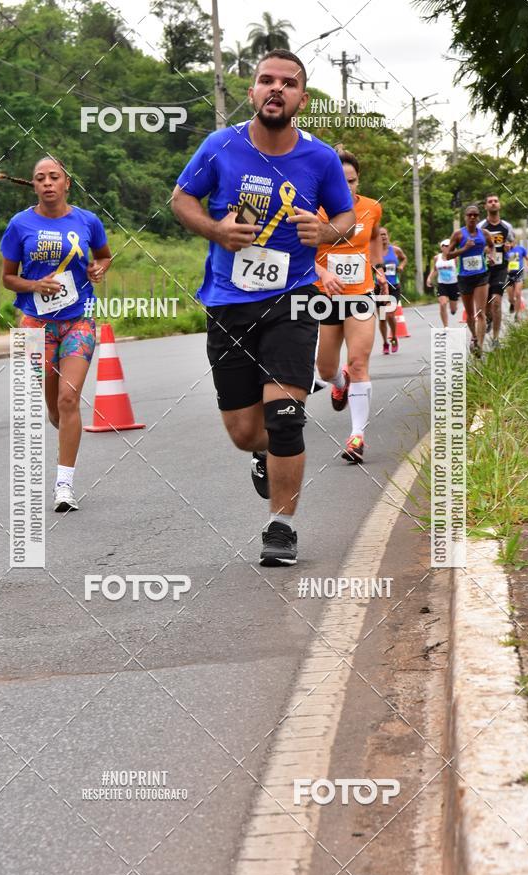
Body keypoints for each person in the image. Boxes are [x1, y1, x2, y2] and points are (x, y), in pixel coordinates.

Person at [171, 49, 355, 566]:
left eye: (288, 83)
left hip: (293, 298)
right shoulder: (220, 146)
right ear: (251, 91)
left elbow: (346, 217)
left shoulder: (319, 158)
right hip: (229, 301)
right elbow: (181, 199)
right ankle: (260, 455)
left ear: (302, 98)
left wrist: (327, 231)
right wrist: (215, 229)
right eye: (265, 81)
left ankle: (282, 526)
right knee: (246, 431)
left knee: (285, 418)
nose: (276, 89)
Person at [0, 156, 112, 512]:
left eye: (54, 177)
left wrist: (98, 268)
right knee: (54, 408)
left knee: (68, 399)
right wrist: (35, 284)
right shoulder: (20, 225)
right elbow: (8, 278)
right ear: (33, 185)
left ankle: (64, 485)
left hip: (79, 319)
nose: (47, 183)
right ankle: (62, 424)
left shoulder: (87, 221)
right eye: (40, 178)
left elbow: (105, 256)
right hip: (35, 324)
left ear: (67, 183)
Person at [314, 149, 388, 464]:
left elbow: (372, 239)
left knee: (359, 362)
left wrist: (378, 267)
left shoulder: (372, 208)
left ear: (359, 180)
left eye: (353, 181)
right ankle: (339, 383)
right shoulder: (315, 210)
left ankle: (357, 436)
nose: (347, 188)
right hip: (325, 296)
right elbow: (298, 252)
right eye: (341, 182)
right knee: (326, 368)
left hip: (361, 295)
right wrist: (323, 272)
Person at [446, 205, 494, 356]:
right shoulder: (459, 234)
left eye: (475, 215)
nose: (472, 217)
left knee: (481, 312)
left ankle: (479, 345)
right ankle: (474, 335)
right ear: (465, 217)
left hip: (481, 275)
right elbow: (447, 255)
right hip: (465, 277)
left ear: (478, 217)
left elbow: (491, 246)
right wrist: (464, 249)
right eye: (469, 215)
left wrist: (490, 256)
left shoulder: (484, 234)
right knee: (470, 313)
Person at [479, 194, 515, 348]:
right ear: (486, 206)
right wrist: (485, 251)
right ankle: (488, 319)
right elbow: (476, 244)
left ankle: (495, 339)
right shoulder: (481, 227)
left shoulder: (506, 226)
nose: (493, 204)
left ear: (499, 205)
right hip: (484, 268)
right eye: (490, 202)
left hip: (500, 267)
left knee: (496, 302)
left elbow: (512, 241)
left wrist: (509, 246)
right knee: (486, 306)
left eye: (495, 201)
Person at [378, 226, 406, 353]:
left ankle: (394, 337)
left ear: (388, 235)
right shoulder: (374, 252)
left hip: (394, 286)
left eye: (384, 234)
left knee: (390, 313)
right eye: (380, 235)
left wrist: (401, 266)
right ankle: (385, 343)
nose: (383, 237)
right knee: (382, 317)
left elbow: (404, 258)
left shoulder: (395, 250)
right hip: (379, 287)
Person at [426, 239, 459, 326]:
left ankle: (454, 308)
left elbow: (459, 269)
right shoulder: (437, 258)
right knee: (443, 303)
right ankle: (445, 326)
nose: (448, 248)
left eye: (449, 246)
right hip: (442, 284)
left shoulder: (455, 258)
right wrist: (429, 278)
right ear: (442, 247)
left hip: (454, 284)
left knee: (453, 310)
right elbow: (434, 270)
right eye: (446, 246)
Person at [505, 241, 528, 322]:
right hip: (509, 275)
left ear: (514, 241)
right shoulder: (504, 250)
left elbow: (526, 257)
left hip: (519, 273)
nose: (509, 244)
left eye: (510, 242)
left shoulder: (520, 249)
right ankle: (512, 304)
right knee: (510, 298)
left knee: (518, 293)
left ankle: (517, 315)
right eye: (507, 242)